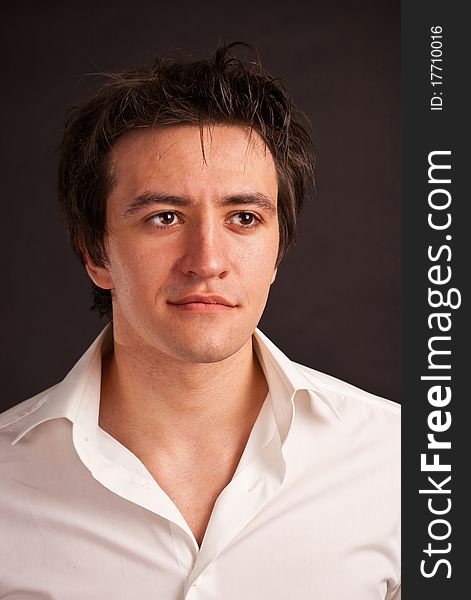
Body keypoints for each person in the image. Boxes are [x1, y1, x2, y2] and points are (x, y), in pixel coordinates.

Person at [0, 44, 400, 599]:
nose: (208, 259)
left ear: (277, 248)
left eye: (244, 217)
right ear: (96, 252)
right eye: (165, 217)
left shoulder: (403, 463)